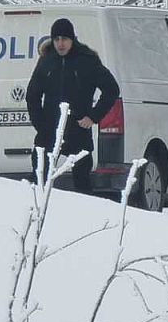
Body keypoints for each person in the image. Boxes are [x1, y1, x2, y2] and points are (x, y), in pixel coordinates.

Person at [24, 17, 120, 194]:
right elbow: (32, 95)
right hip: (49, 129)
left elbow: (112, 90)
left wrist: (93, 116)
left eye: (65, 39)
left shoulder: (87, 59)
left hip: (78, 128)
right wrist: (40, 123)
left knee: (82, 183)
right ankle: (38, 213)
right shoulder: (47, 60)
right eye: (57, 39)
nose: (60, 44)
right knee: (39, 177)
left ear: (72, 39)